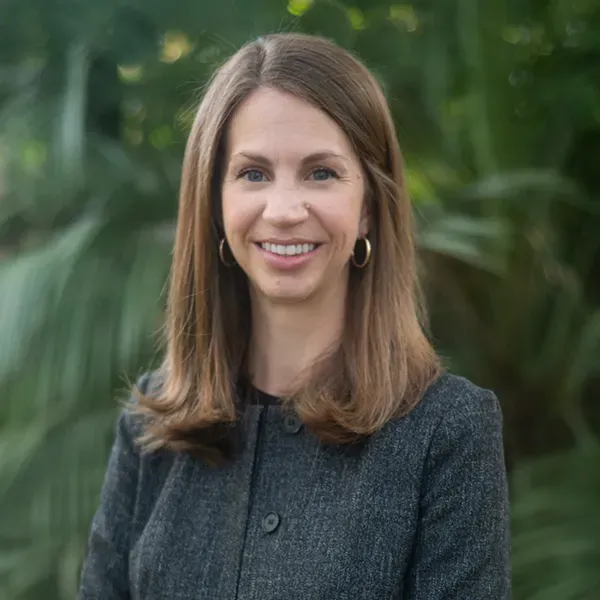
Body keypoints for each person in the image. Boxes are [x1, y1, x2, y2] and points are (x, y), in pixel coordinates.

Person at [78, 32, 510, 599]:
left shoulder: (448, 433)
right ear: (215, 204)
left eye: (321, 173)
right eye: (253, 173)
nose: (283, 211)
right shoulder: (148, 428)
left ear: (369, 210)